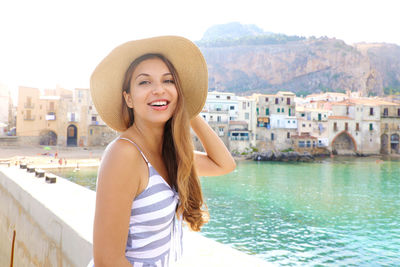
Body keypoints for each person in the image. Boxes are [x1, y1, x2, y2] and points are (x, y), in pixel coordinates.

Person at [88, 36, 236, 267]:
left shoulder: (171, 154)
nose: (159, 89)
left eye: (168, 81)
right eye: (145, 82)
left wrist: (188, 108)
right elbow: (107, 261)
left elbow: (224, 165)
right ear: (128, 98)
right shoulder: (124, 155)